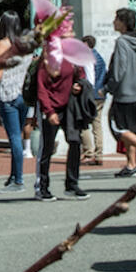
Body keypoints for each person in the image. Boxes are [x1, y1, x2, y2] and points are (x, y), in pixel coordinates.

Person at [36, 52, 91, 201]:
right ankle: (42, 186)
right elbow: (41, 87)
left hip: (70, 108)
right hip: (52, 108)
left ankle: (72, 184)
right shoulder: (49, 58)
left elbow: (81, 76)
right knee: (47, 148)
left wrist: (79, 85)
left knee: (75, 142)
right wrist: (49, 111)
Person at [106, 8, 136, 177]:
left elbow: (119, 69)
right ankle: (133, 163)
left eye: (116, 19)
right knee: (133, 129)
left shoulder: (122, 41)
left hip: (124, 92)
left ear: (122, 22)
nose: (114, 22)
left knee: (119, 127)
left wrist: (109, 87)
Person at [0, 11, 32, 193]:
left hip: (8, 94)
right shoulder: (26, 45)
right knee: (18, 135)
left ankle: (18, 180)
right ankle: (13, 175)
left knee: (14, 137)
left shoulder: (3, 44)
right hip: (23, 94)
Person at [80, 36, 106, 166]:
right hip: (100, 94)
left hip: (91, 94)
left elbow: (90, 78)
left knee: (83, 123)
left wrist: (87, 94)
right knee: (97, 125)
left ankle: (89, 152)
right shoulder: (99, 57)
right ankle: (99, 153)